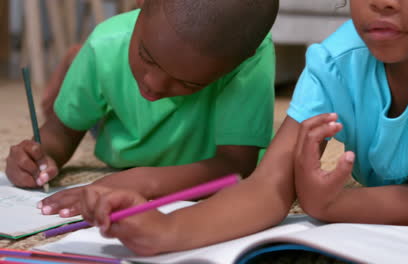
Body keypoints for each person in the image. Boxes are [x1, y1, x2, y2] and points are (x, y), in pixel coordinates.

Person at [77, 0, 408, 256]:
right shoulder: (334, 62)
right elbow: (268, 186)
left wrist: (330, 204)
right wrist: (168, 230)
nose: (382, 2)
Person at [5, 0, 278, 217]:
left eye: (186, 82)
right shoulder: (105, 45)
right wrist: (39, 157)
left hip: (191, 157)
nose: (153, 85)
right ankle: (79, 64)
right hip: (120, 132)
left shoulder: (250, 62)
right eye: (146, 56)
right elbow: (60, 133)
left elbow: (236, 165)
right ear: (140, 3)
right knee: (101, 73)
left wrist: (143, 182)